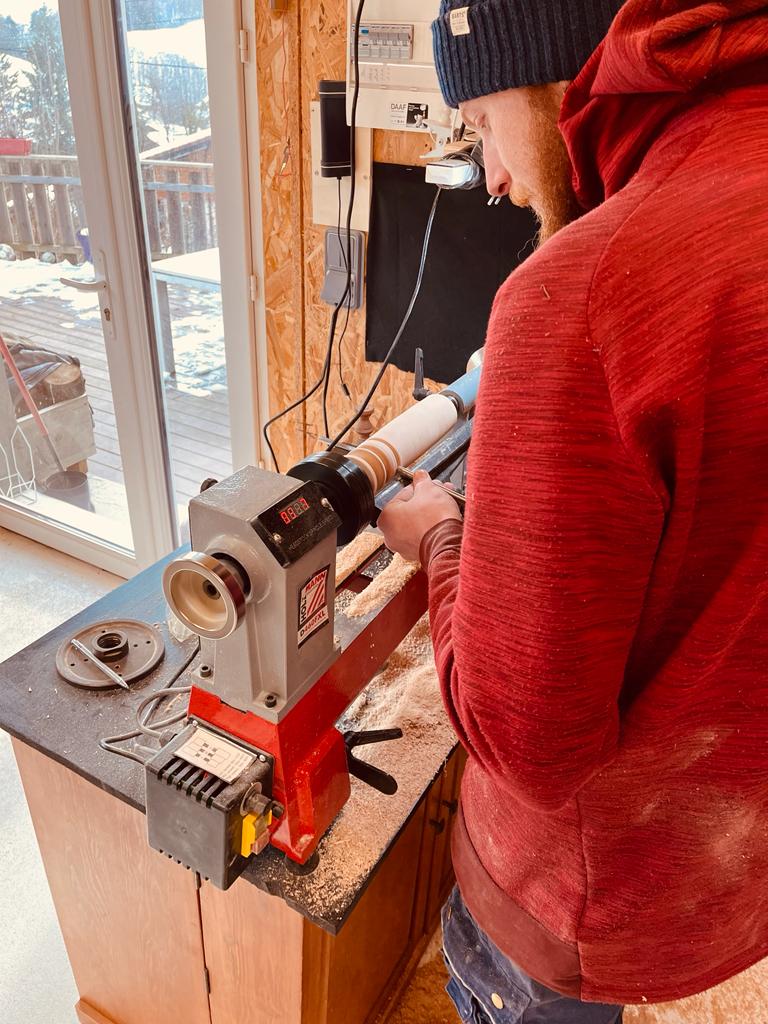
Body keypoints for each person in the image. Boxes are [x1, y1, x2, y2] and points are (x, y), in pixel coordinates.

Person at [377, 1, 768, 1022]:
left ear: (553, 72)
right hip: (727, 872)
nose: (494, 178)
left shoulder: (583, 292)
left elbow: (527, 737)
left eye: (482, 124)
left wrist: (443, 541)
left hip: (579, 910)